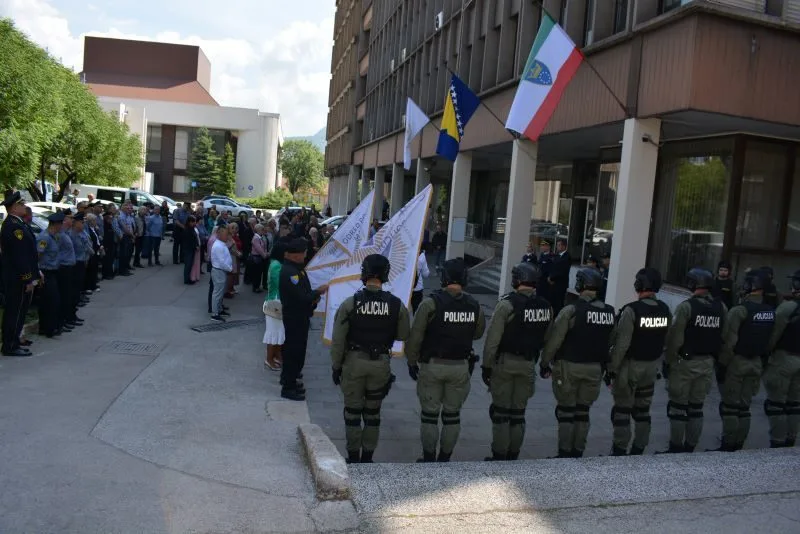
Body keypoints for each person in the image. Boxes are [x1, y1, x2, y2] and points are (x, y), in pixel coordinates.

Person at [330, 254, 411, 463]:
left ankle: (353, 457)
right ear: (386, 274)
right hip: (380, 364)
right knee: (373, 414)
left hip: (353, 363)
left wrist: (336, 366)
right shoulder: (396, 305)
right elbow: (403, 335)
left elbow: (338, 340)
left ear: (364, 273)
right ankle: (368, 458)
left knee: (352, 413)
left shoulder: (350, 303)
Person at [406, 258, 486, 462]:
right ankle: (445, 458)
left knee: (429, 416)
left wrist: (412, 361)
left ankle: (429, 458)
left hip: (433, 366)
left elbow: (416, 337)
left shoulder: (430, 304)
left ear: (444, 277)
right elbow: (478, 333)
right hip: (460, 367)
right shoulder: (474, 305)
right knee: (452, 416)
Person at [540, 268, 615, 458]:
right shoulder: (609, 312)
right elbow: (611, 341)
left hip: (569, 367)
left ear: (580, 284)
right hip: (595, 369)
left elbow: (555, 340)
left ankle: (564, 453)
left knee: (566, 412)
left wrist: (544, 362)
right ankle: (578, 452)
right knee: (583, 412)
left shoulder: (571, 310)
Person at [481, 262, 552, 461]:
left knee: (501, 413)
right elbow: (548, 338)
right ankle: (514, 454)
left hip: (505, 364)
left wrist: (487, 367)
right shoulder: (545, 306)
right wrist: (544, 362)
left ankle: (499, 455)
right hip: (528, 364)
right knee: (518, 413)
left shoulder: (507, 305)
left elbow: (492, 340)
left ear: (518, 279)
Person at [607, 267, 671, 456]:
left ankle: (619, 451)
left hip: (630, 368)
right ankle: (639, 449)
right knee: (643, 411)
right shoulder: (665, 309)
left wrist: (611, 369)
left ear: (640, 284)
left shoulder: (631, 310)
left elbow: (622, 344)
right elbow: (667, 339)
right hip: (651, 367)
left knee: (622, 412)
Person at [661, 268, 726, 454]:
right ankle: (690, 448)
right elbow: (725, 336)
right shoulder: (721, 307)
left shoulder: (686, 307)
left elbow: (675, 339)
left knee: (678, 408)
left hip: (685, 363)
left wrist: (668, 361)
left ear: (692, 283)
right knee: (696, 408)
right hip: (707, 363)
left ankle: (676, 448)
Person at [715, 269, 775, 451]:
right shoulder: (770, 312)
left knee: (730, 407)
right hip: (756, 363)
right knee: (744, 407)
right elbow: (770, 341)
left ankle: (728, 445)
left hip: (737, 362)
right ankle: (739, 444)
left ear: (751, 286)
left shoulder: (740, 310)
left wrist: (722, 365)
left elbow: (729, 342)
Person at [279, 238, 329, 401]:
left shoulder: (296, 269)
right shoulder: (290, 273)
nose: (306, 255)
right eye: (304, 253)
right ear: (296, 255)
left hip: (300, 316)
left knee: (298, 351)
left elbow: (304, 292)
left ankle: (291, 379)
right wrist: (318, 292)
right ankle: (288, 387)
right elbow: (301, 297)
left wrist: (313, 297)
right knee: (293, 351)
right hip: (295, 318)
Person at [764, 269, 800, 448]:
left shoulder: (788, 307)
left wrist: (765, 354)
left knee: (776, 404)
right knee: (794, 404)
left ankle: (777, 442)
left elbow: (773, 334)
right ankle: (790, 439)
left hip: (784, 359)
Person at [1, 192, 38, 356]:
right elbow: (20, 256)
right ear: (14, 207)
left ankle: (14, 341)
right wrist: (27, 278)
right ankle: (10, 345)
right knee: (14, 312)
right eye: (22, 204)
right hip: (16, 278)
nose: (25, 206)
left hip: (19, 276)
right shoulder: (14, 227)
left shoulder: (18, 223)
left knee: (19, 311)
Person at [36, 212, 64, 338]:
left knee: (47, 301)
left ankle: (45, 327)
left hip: (53, 272)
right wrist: (38, 272)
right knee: (52, 301)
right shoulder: (45, 238)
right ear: (56, 224)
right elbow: (38, 255)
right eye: (61, 224)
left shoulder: (54, 236)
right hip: (45, 272)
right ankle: (49, 328)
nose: (62, 226)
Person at [56, 212, 81, 331]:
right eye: (70, 218)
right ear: (64, 221)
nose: (73, 220)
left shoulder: (66, 233)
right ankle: (63, 320)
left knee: (69, 295)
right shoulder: (60, 235)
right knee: (64, 295)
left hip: (69, 267)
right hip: (63, 268)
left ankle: (68, 318)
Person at [263, 253, 284, 371]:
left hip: (275, 300)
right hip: (274, 301)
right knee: (273, 332)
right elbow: (279, 283)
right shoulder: (276, 265)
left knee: (279, 331)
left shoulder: (275, 263)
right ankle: (269, 359)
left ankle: (275, 357)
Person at [209, 225, 233, 322]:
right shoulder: (218, 246)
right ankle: (215, 314)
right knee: (217, 293)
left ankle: (219, 310)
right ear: (219, 234)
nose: (227, 236)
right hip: (219, 271)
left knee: (220, 292)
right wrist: (230, 269)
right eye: (226, 234)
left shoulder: (221, 243)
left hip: (221, 271)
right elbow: (222, 262)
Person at [548, 238, 571, 315]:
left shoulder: (567, 257)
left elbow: (562, 271)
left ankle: (558, 317)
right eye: (557, 245)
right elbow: (553, 268)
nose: (557, 247)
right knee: (553, 301)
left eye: (559, 245)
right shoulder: (557, 255)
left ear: (564, 246)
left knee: (559, 302)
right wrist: (550, 277)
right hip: (553, 283)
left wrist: (551, 278)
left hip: (560, 284)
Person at [84, 213, 102, 293]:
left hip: (97, 251)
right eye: (94, 220)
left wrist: (100, 246)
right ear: (90, 221)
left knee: (95, 269)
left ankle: (93, 285)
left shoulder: (94, 229)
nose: (96, 222)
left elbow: (98, 238)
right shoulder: (88, 230)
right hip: (92, 251)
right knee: (90, 269)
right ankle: (88, 286)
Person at [250, 224, 268, 293]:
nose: (263, 230)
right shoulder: (256, 238)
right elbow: (259, 249)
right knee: (256, 273)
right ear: (258, 230)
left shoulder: (259, 237)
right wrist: (265, 255)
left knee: (259, 273)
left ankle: (257, 287)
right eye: (262, 229)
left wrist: (265, 253)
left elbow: (263, 247)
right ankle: (255, 287)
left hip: (259, 257)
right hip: (256, 258)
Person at [182, 216, 199, 285]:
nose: (194, 223)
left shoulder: (191, 229)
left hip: (191, 249)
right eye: (193, 222)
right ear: (189, 222)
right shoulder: (187, 230)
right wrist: (195, 246)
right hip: (188, 249)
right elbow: (189, 241)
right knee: (188, 264)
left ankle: (188, 278)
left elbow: (195, 238)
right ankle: (186, 279)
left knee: (190, 264)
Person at [101, 211, 117, 280]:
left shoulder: (110, 225)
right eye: (109, 218)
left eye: (111, 218)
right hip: (106, 245)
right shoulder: (104, 226)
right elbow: (104, 236)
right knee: (106, 260)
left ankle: (110, 273)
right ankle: (106, 274)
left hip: (111, 245)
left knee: (110, 259)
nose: (111, 220)